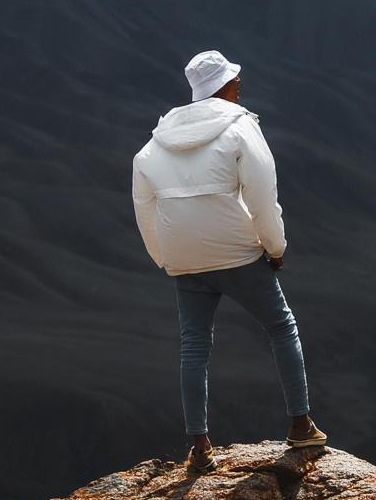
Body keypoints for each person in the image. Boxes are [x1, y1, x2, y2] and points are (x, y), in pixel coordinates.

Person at [132, 50, 325, 466]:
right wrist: (275, 249)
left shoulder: (154, 143)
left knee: (194, 347)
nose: (240, 86)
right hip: (238, 254)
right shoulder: (240, 129)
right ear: (228, 86)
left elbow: (144, 208)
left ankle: (199, 447)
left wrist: (166, 259)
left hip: (185, 260)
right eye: (236, 81)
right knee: (281, 327)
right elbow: (262, 196)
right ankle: (301, 426)